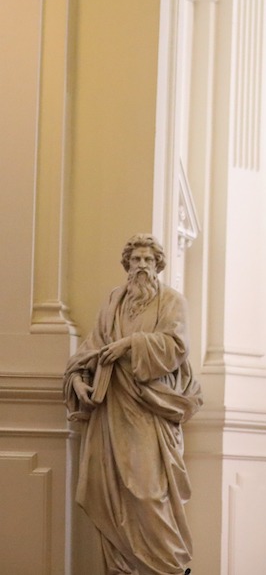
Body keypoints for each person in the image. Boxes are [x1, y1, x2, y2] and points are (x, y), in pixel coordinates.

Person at [63, 234, 203, 575]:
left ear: (158, 266)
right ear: (127, 265)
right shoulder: (113, 301)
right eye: (136, 260)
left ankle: (168, 567)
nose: (142, 266)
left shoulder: (172, 301)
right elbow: (92, 347)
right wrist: (79, 377)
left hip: (149, 407)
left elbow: (175, 347)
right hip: (111, 408)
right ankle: (122, 567)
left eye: (148, 260)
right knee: (110, 494)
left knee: (147, 492)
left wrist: (130, 344)